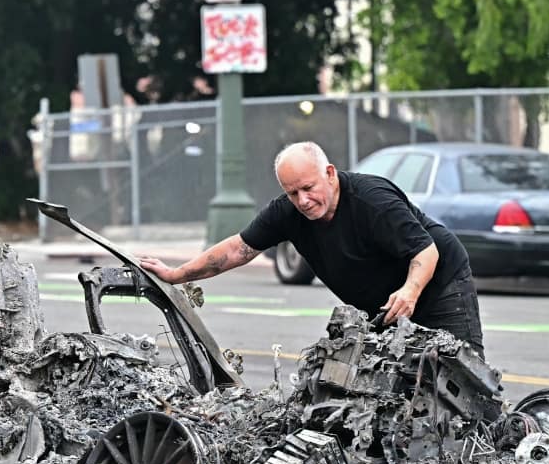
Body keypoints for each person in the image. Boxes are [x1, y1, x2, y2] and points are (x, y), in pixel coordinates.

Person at [139, 141, 485, 357]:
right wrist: (176, 274)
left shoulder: (372, 200)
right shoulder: (287, 212)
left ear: (330, 174)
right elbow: (238, 250)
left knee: (459, 381)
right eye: (293, 193)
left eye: (308, 187)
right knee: (391, 388)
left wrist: (410, 291)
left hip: (438, 285)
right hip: (383, 304)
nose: (303, 200)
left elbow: (426, 252)